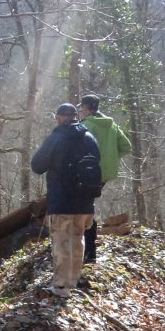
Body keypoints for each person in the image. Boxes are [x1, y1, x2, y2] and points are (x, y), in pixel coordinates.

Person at [31, 103, 100, 298]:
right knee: (78, 239)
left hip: (61, 200)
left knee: (61, 242)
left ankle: (61, 287)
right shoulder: (89, 137)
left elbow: (37, 165)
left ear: (59, 118)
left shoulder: (56, 138)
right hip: (85, 201)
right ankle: (73, 281)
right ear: (76, 117)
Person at [78, 94, 132, 262]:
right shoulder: (111, 125)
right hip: (105, 173)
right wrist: (111, 158)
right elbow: (126, 146)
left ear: (86, 108)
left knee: (85, 208)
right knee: (88, 205)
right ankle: (88, 251)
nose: (80, 110)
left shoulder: (86, 125)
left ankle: (89, 252)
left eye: (82, 107)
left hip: (90, 173)